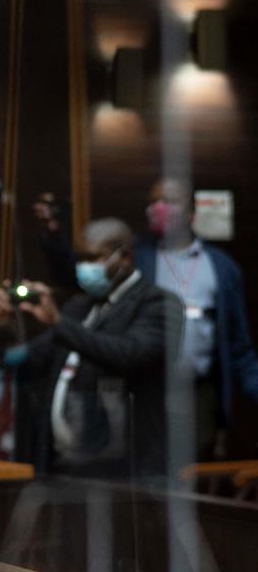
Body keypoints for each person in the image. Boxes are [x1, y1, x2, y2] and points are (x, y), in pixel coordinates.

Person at [35, 179, 258, 460]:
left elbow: (238, 346)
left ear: (191, 212)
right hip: (139, 391)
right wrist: (55, 234)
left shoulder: (221, 268)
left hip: (195, 393)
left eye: (168, 202)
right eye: (153, 202)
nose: (158, 208)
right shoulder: (139, 255)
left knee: (186, 473)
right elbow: (80, 272)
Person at [0, 218, 183, 479]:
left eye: (93, 258)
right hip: (65, 464)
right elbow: (29, 359)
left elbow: (130, 354)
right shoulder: (79, 306)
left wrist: (59, 324)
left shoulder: (159, 303)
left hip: (126, 470)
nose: (84, 267)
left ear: (124, 257)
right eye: (80, 258)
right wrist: (6, 334)